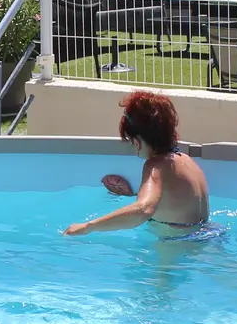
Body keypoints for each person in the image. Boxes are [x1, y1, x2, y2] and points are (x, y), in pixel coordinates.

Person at [65, 90, 210, 237]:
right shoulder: (186, 160)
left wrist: (88, 227)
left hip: (177, 246)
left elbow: (143, 209)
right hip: (209, 233)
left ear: (137, 141)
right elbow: (174, 201)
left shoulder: (154, 167)